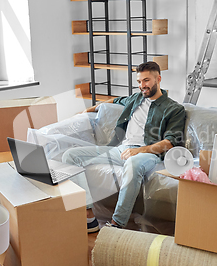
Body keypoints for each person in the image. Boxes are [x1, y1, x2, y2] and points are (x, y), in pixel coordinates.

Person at [62, 61, 186, 232]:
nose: (142, 85)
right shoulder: (136, 98)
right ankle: (89, 215)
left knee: (133, 164)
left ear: (158, 78)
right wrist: (89, 110)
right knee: (70, 156)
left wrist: (138, 151)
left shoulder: (174, 109)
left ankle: (117, 223)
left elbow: (170, 142)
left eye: (147, 80)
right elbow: (115, 100)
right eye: (139, 81)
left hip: (148, 153)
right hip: (119, 149)